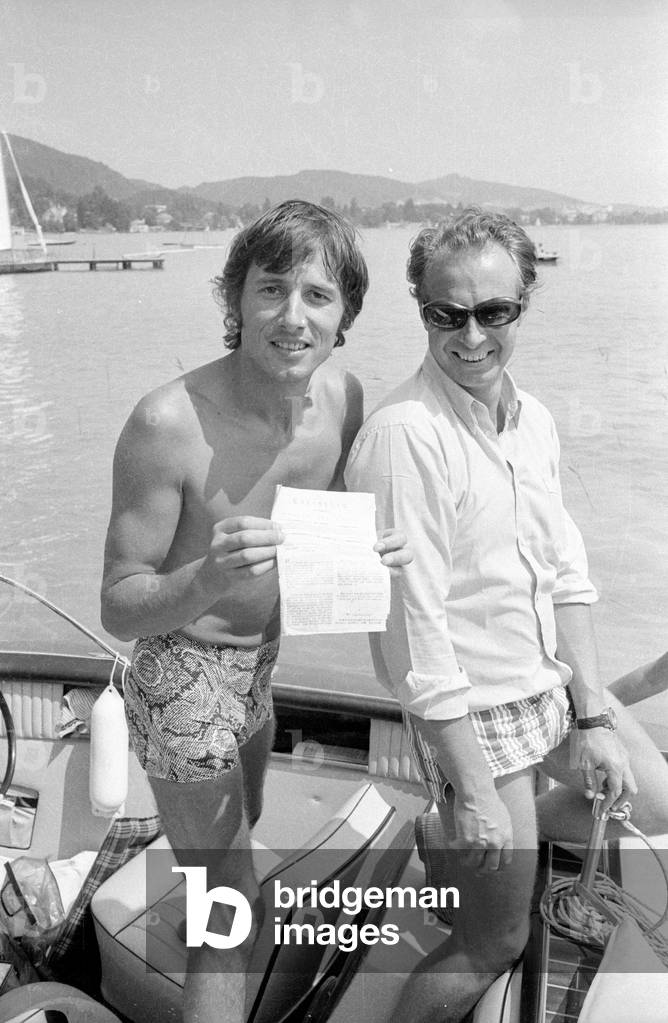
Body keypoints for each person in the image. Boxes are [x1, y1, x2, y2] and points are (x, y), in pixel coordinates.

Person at [344, 208, 668, 1023]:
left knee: (657, 804)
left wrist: (593, 715)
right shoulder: (404, 438)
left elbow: (566, 577)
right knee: (495, 941)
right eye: (447, 314)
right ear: (421, 309)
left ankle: (452, 841)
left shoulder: (535, 421)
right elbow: (414, 636)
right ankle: (467, 835)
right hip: (470, 710)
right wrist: (477, 787)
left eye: (495, 312)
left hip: (544, 687)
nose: (472, 335)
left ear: (525, 302)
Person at [100, 200, 409, 1023]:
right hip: (181, 668)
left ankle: (203, 887)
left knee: (247, 828)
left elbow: (336, 524)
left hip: (261, 665)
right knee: (230, 917)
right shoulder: (167, 423)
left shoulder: (344, 399)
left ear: (345, 316)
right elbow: (118, 606)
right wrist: (203, 577)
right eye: (271, 289)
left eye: (318, 295)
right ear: (233, 300)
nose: (292, 315)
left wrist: (375, 548)